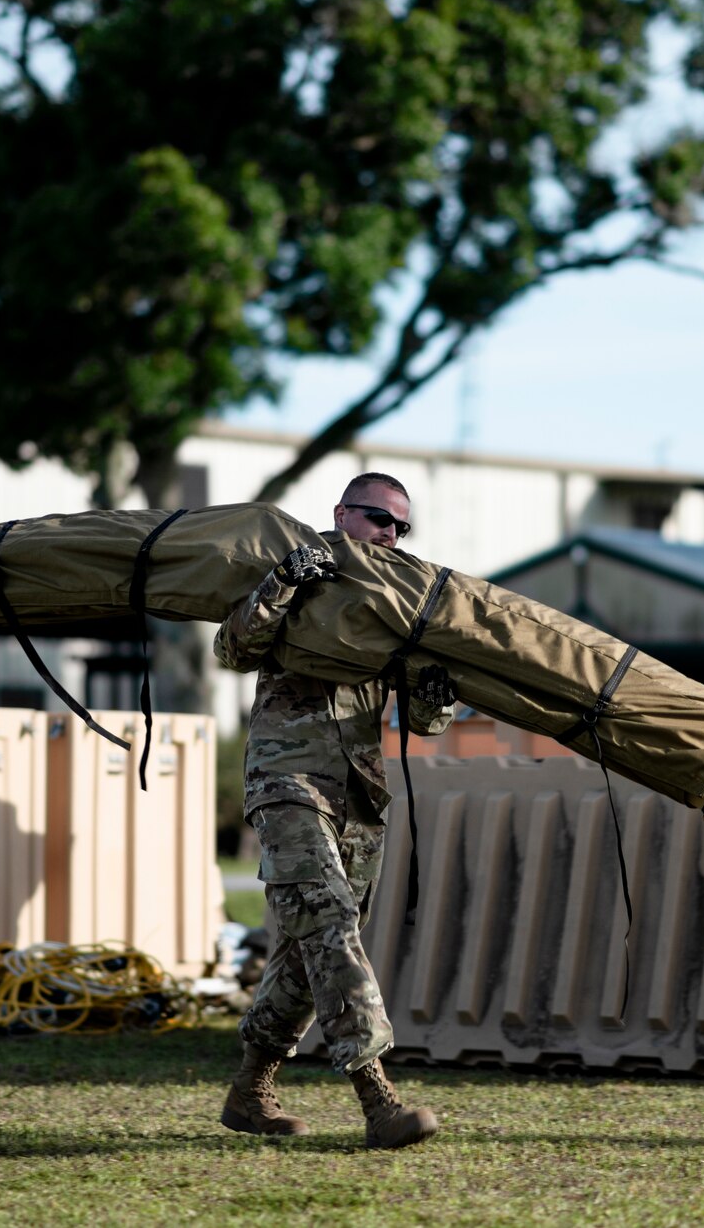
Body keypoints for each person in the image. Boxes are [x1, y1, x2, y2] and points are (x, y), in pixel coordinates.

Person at [213, 472, 457, 1150]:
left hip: (358, 798)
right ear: (342, 513)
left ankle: (249, 1089)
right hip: (287, 780)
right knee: (328, 922)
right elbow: (231, 648)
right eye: (380, 518)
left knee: (307, 947)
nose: (390, 533)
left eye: (401, 526)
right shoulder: (297, 573)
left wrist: (437, 695)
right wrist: (284, 580)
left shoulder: (390, 598)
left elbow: (427, 720)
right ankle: (377, 1096)